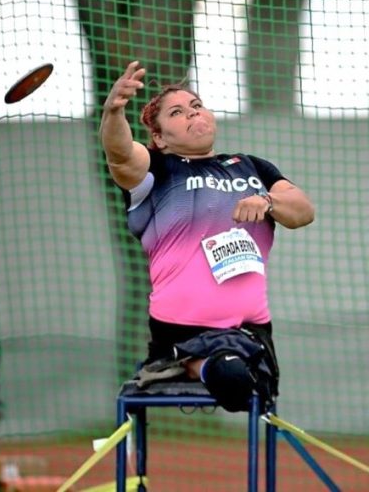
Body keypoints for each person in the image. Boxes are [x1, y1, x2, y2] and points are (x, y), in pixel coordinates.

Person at [100, 61, 315, 410]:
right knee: (231, 377)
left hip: (249, 328)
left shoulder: (252, 167)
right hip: (181, 330)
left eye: (196, 105)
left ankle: (208, 366)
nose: (192, 113)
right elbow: (121, 153)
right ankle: (189, 362)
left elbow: (303, 211)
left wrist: (268, 200)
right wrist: (113, 112)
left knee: (243, 381)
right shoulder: (157, 170)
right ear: (159, 137)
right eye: (177, 112)